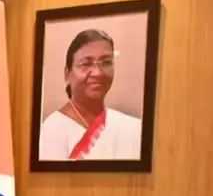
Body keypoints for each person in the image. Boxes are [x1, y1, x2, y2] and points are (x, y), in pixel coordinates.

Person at [38, 29, 142, 161]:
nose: (98, 73)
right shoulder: (52, 129)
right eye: (86, 64)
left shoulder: (133, 128)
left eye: (106, 62)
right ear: (67, 74)